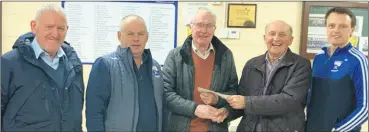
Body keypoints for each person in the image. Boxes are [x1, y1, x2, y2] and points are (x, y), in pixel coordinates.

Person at [1, 4, 84, 131]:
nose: (55, 33)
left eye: (61, 28)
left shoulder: (74, 66)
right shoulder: (8, 63)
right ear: (34, 27)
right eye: (49, 27)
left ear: (67, 29)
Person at [85, 15, 167, 132]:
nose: (136, 38)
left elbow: (162, 110)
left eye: (140, 34)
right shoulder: (104, 65)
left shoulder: (155, 67)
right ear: (119, 36)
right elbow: (94, 113)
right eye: (130, 34)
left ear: (147, 37)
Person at [226, 20, 312, 132]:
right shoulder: (252, 64)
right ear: (265, 38)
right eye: (272, 34)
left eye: (282, 34)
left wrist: (246, 102)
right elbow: (241, 97)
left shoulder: (301, 65)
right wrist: (226, 112)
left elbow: (289, 100)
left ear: (290, 40)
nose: (276, 38)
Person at [162, 8, 238, 132]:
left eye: (209, 25)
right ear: (191, 27)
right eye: (199, 25)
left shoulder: (226, 56)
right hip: (179, 128)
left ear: (214, 29)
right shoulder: (175, 56)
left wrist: (218, 100)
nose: (204, 30)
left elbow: (234, 91)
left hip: (216, 128)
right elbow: (166, 94)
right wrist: (195, 109)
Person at [306, 7, 368, 132]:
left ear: (352, 30)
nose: (336, 30)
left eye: (343, 26)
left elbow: (365, 107)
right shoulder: (318, 58)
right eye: (331, 25)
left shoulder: (358, 60)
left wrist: (339, 130)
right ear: (326, 28)